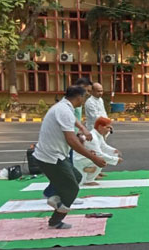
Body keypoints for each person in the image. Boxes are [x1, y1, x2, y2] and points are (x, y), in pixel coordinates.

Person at [33, 86, 107, 229]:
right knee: (72, 189)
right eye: (84, 97)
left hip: (54, 155)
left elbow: (72, 124)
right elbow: (71, 140)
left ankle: (54, 198)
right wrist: (94, 158)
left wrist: (82, 130)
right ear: (79, 97)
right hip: (51, 157)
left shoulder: (63, 107)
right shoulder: (64, 111)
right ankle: (55, 220)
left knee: (77, 177)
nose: (84, 100)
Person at [73, 117, 122, 185]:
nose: (109, 130)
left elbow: (103, 146)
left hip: (84, 158)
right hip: (79, 160)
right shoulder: (93, 137)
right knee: (101, 160)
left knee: (108, 156)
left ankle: (88, 170)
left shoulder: (98, 135)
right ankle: (88, 177)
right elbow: (99, 155)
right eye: (107, 127)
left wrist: (114, 151)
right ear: (100, 127)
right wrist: (115, 160)